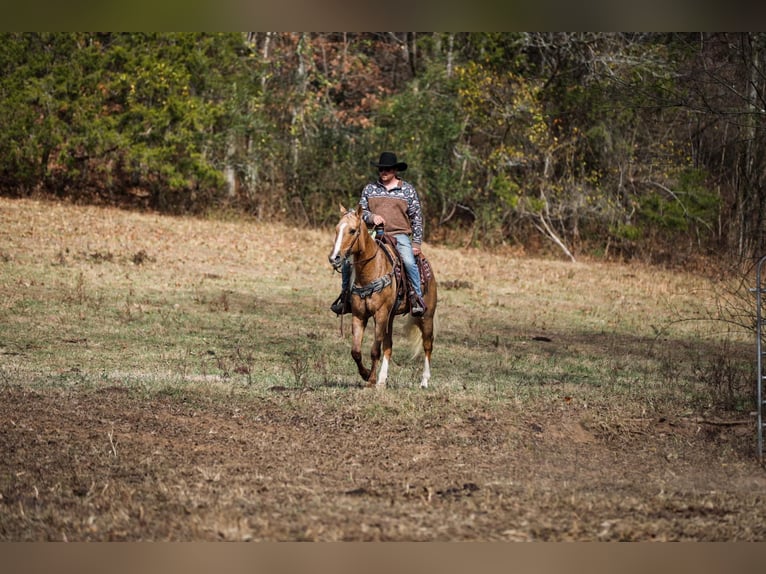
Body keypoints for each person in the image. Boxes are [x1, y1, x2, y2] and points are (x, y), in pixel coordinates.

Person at [331, 151, 426, 317]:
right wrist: (372, 216)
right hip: (373, 235)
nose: (384, 172)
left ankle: (416, 297)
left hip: (399, 235)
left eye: (387, 169)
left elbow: (417, 218)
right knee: (347, 261)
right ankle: (345, 297)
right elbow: (361, 212)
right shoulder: (370, 189)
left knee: (409, 262)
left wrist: (416, 244)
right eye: (381, 169)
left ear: (395, 170)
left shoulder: (408, 190)